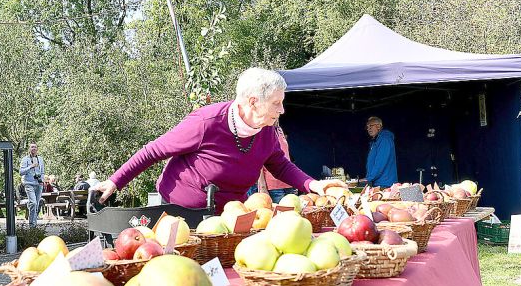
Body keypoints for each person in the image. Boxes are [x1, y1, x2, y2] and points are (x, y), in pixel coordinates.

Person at [96, 68, 347, 212]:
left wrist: (315, 186)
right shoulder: (205, 123)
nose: (282, 110)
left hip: (229, 214)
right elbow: (154, 151)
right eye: (276, 103)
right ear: (252, 102)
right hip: (180, 210)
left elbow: (281, 166)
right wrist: (115, 182)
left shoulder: (267, 130)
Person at [250, 124, 297, 202]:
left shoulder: (279, 129)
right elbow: (259, 162)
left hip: (289, 184)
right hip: (273, 186)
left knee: (293, 212)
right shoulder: (262, 131)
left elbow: (286, 158)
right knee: (277, 213)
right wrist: (262, 186)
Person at [363, 116, 398, 188]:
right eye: (367, 127)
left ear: (379, 126)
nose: (368, 128)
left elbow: (380, 163)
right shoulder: (375, 141)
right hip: (377, 183)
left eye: (371, 126)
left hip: (385, 184)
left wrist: (368, 179)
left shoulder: (384, 140)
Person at [19, 143, 45, 227]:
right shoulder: (25, 159)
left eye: (35, 147)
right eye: (32, 147)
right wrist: (31, 166)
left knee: (36, 204)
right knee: (33, 203)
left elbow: (42, 171)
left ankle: (34, 224)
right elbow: (21, 172)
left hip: (39, 183)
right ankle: (31, 225)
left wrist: (42, 180)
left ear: (37, 149)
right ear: (29, 149)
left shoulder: (40, 159)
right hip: (29, 184)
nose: (33, 148)